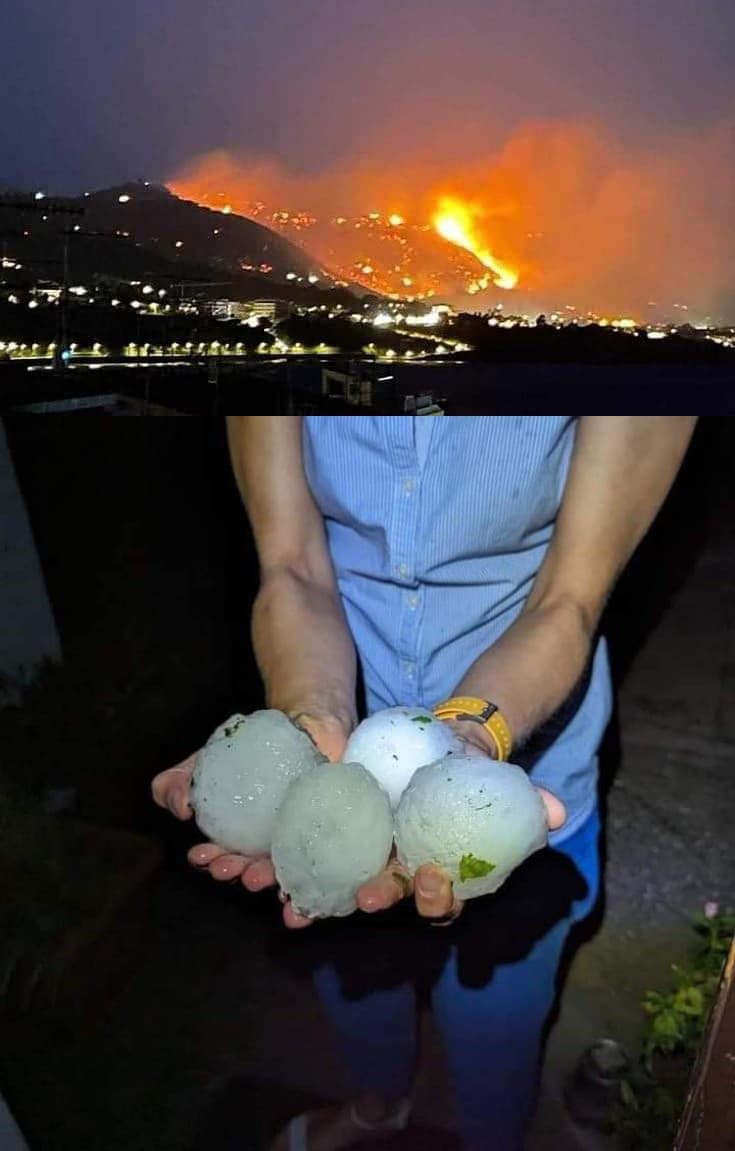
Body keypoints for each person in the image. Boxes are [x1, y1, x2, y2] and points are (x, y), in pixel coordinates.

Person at [153, 415, 696, 1151]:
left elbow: (565, 600)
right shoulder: (278, 315)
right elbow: (293, 567)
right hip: (344, 745)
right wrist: (306, 721)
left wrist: (466, 739)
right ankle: (380, 1105)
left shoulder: (625, 324)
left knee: (494, 1019)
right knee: (350, 976)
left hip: (525, 748)